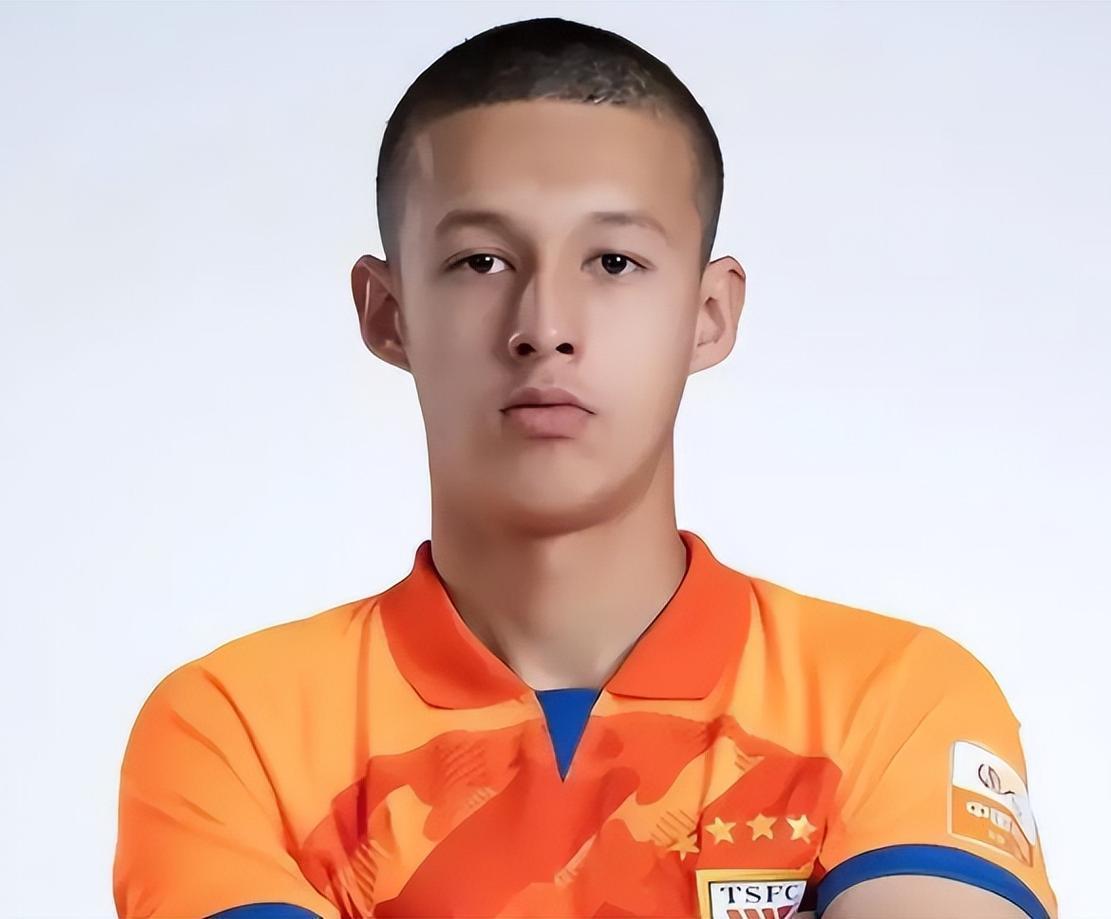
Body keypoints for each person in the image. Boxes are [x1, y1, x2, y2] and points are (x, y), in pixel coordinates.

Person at [112, 16, 1057, 919]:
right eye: (481, 261)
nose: (545, 327)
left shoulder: (892, 696)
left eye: (612, 261)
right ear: (388, 313)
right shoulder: (235, 728)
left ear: (708, 315)